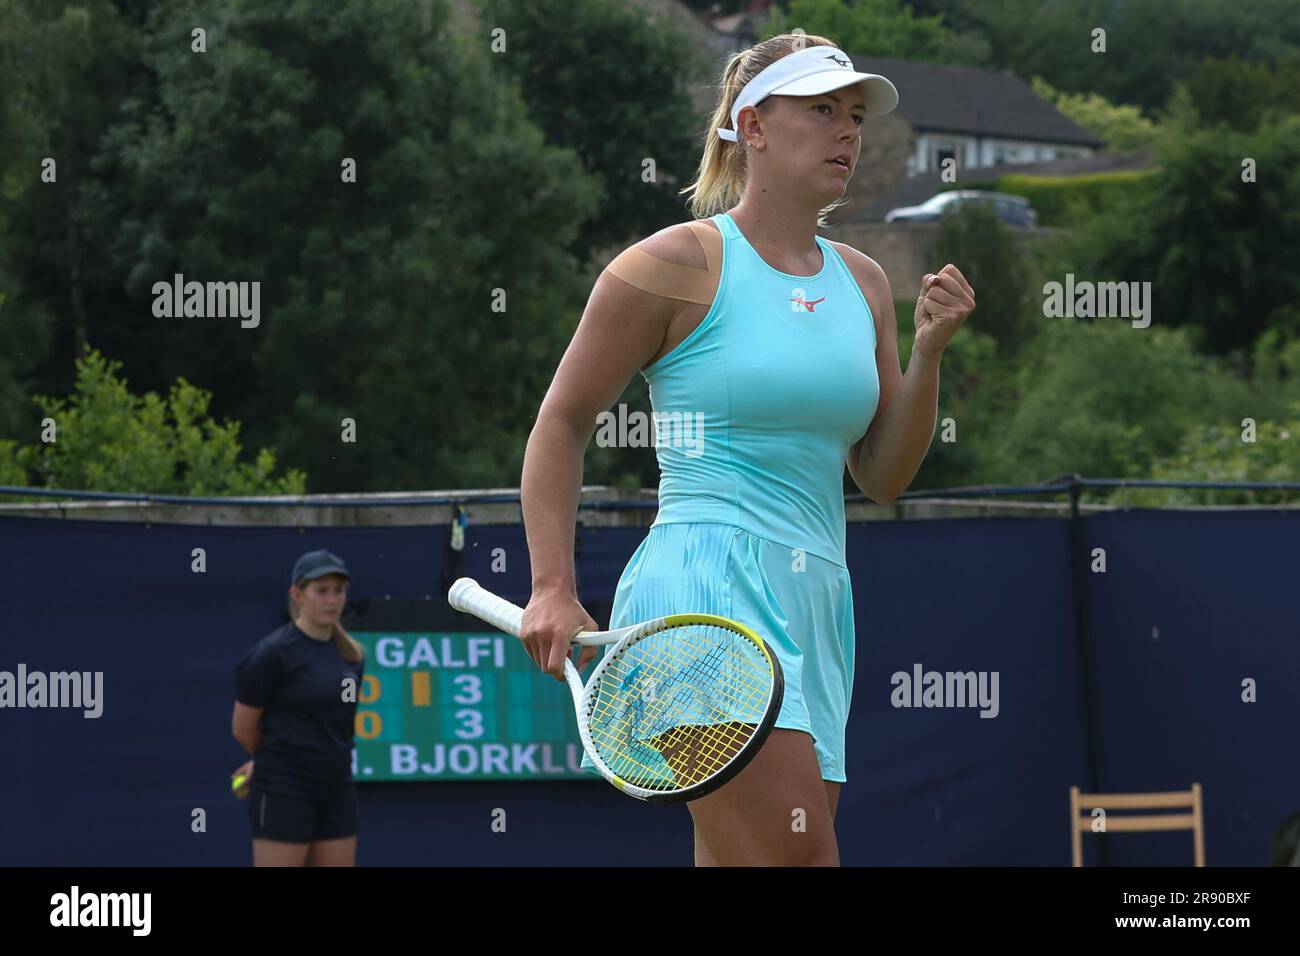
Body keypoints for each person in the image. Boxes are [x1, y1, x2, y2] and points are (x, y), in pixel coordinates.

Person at [518, 33, 974, 866]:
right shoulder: (669, 265)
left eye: (854, 115)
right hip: (701, 597)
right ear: (753, 127)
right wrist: (551, 585)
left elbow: (881, 477)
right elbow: (561, 422)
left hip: (819, 603)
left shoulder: (866, 281)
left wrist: (928, 353)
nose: (848, 131)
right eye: (822, 110)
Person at [230, 549, 366, 866]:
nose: (332, 599)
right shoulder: (272, 654)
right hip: (282, 792)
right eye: (322, 590)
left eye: (339, 590)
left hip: (337, 790)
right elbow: (242, 728)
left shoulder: (353, 658)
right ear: (297, 594)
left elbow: (334, 725)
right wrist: (274, 760)